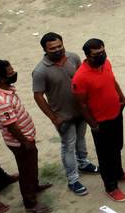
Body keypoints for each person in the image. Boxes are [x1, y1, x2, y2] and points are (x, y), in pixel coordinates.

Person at [32, 33, 96, 197]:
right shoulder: (40, 71)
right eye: (52, 48)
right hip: (63, 117)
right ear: (45, 50)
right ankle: (73, 179)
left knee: (81, 140)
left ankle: (83, 163)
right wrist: (54, 117)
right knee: (68, 146)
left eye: (59, 45)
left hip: (81, 111)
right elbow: (38, 96)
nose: (57, 49)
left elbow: (83, 78)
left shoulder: (73, 57)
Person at [72, 38, 125, 201]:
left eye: (102, 51)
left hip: (115, 113)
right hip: (100, 122)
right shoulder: (80, 77)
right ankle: (111, 186)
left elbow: (112, 80)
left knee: (117, 146)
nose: (101, 55)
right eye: (96, 54)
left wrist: (121, 97)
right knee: (105, 155)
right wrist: (93, 124)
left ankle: (119, 173)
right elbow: (82, 105)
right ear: (87, 56)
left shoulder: (106, 63)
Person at [0, 60, 51, 213]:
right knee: (26, 171)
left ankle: (34, 187)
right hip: (21, 142)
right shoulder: (2, 101)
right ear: (1, 78)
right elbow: (11, 126)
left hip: (26, 138)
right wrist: (25, 141)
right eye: (10, 73)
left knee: (31, 165)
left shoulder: (7, 90)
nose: (14, 74)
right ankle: (30, 202)